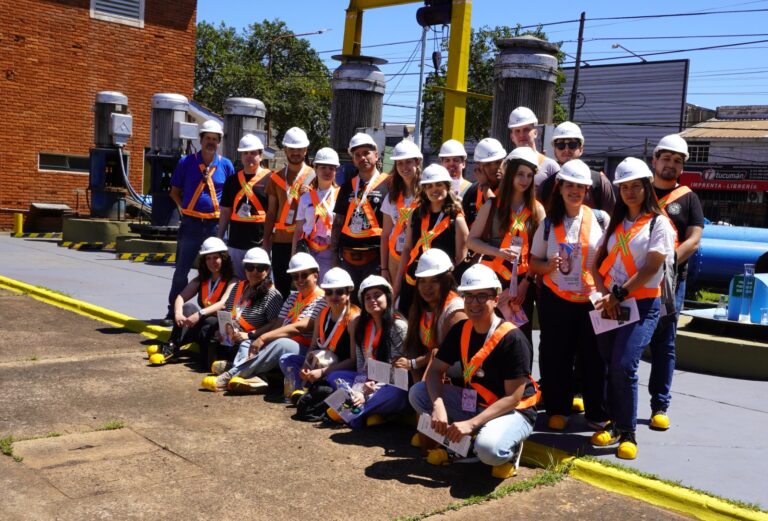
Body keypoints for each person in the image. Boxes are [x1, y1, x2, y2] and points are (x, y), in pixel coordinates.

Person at [408, 264, 539, 478]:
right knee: (419, 393)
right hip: (477, 404)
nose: (473, 303)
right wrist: (438, 406)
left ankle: (508, 450)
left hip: (514, 411)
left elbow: (513, 398)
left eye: (481, 296)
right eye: (468, 296)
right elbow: (434, 371)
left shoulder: (512, 339)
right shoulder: (461, 329)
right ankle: (466, 444)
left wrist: (471, 424)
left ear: (495, 299)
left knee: (489, 451)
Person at [591, 157, 675, 460]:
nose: (629, 192)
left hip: (642, 302)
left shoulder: (658, 223)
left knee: (625, 365)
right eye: (624, 187)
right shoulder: (615, 223)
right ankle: (614, 423)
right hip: (611, 304)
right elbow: (595, 263)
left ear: (646, 187)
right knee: (609, 364)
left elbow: (653, 266)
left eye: (635, 186)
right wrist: (604, 295)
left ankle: (628, 433)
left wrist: (618, 294)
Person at [529, 160, 610, 432]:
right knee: (556, 356)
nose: (575, 191)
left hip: (590, 301)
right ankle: (557, 409)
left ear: (587, 189)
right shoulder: (548, 224)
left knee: (594, 358)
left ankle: (597, 411)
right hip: (556, 300)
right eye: (570, 185)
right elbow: (533, 262)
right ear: (560, 187)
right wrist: (547, 266)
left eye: (580, 186)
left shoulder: (601, 219)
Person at [202, 252, 326, 393]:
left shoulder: (322, 299)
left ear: (315, 276)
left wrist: (263, 338)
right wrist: (256, 338)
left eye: (304, 275)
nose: (299, 280)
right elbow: (278, 325)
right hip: (280, 346)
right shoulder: (293, 298)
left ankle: (231, 372)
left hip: (304, 350)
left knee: (280, 343)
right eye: (295, 276)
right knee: (248, 342)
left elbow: (300, 327)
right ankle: (256, 377)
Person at [647, 134, 704, 431]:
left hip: (670, 284)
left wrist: (666, 264)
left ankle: (660, 405)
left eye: (677, 161)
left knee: (664, 343)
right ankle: (610, 404)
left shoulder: (689, 198)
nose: (670, 165)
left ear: (682, 167)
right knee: (621, 343)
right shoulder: (638, 190)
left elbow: (694, 239)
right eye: (666, 158)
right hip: (634, 281)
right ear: (655, 159)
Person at [468, 147, 544, 343]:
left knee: (520, 338)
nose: (524, 180)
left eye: (529, 175)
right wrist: (497, 252)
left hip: (521, 285)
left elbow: (539, 253)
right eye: (519, 174)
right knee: (489, 336)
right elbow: (472, 241)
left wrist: (525, 284)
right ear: (510, 174)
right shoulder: (492, 206)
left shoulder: (537, 210)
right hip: (493, 282)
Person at [167, 120, 235, 320]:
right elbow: (174, 192)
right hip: (191, 224)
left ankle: (214, 311)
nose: (211, 142)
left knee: (217, 270)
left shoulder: (226, 165)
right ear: (201, 140)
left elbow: (229, 198)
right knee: (182, 270)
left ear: (219, 142)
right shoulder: (186, 163)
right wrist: (186, 210)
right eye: (208, 138)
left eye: (215, 139)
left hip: (214, 226)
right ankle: (173, 311)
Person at [325, 275, 408, 428]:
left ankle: (348, 412)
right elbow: (361, 366)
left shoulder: (398, 326)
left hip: (390, 382)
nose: (372, 300)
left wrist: (368, 391)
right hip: (367, 379)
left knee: (397, 393)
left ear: (388, 297)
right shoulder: (360, 325)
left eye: (377, 295)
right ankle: (369, 414)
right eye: (367, 297)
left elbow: (399, 373)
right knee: (335, 376)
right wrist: (361, 389)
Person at [148, 237, 236, 366]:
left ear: (223, 258)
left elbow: (223, 303)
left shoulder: (232, 280)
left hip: (218, 326)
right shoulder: (201, 279)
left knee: (209, 321)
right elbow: (180, 297)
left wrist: (199, 314)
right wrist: (177, 313)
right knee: (187, 307)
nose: (212, 262)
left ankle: (173, 347)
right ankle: (172, 346)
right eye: (208, 258)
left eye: (215, 257)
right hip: (201, 321)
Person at [278, 267, 360, 405]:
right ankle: (300, 391)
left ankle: (312, 390)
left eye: (339, 292)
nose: (334, 296)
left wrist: (322, 372)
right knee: (286, 359)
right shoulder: (322, 314)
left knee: (333, 378)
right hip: (320, 363)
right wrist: (306, 365)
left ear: (348, 292)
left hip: (340, 369)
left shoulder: (353, 318)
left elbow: (353, 361)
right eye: (329, 292)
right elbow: (313, 346)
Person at [393, 164, 468, 315]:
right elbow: (407, 250)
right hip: (413, 281)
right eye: (429, 186)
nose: (434, 190)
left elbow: (461, 259)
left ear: (447, 186)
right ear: (424, 190)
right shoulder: (415, 215)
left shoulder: (456, 219)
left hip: (440, 285)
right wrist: (397, 286)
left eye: (439, 185)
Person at [331, 133, 390, 297]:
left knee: (372, 302)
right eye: (357, 155)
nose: (362, 157)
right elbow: (338, 223)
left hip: (375, 259)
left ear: (376, 155)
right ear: (353, 160)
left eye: (366, 153)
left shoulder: (389, 184)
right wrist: (334, 256)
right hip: (348, 259)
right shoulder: (347, 187)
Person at [207, 247, 283, 373]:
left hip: (251, 338)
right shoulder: (239, 286)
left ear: (267, 270)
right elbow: (229, 310)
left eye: (259, 268)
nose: (254, 272)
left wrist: (249, 334)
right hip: (232, 335)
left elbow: (274, 324)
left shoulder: (273, 295)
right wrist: (223, 331)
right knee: (209, 326)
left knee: (241, 346)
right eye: (250, 267)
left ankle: (235, 367)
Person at [263, 127, 315, 298]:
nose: (295, 152)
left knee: (306, 288)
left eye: (299, 149)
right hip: (281, 241)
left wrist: (312, 195)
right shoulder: (276, 178)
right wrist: (266, 243)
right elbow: (271, 213)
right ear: (285, 149)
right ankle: (282, 321)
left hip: (305, 241)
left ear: (306, 150)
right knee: (281, 289)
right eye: (291, 149)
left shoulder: (315, 176)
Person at [403, 249, 466, 383]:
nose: (427, 287)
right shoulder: (419, 307)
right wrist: (417, 382)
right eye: (423, 281)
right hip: (429, 368)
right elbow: (413, 346)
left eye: (434, 281)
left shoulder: (455, 310)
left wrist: (414, 364)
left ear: (447, 280)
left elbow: (444, 354)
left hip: (453, 370)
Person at [217, 134, 271, 279]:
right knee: (236, 282)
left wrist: (268, 242)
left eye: (253, 153)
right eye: (245, 153)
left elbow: (274, 213)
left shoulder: (271, 179)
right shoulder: (232, 181)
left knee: (261, 283)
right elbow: (226, 211)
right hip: (236, 242)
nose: (249, 156)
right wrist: (220, 237)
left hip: (260, 243)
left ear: (260, 155)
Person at [538, 122, 616, 213]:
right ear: (555, 151)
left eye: (572, 144)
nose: (566, 150)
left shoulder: (599, 182)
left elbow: (612, 220)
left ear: (581, 149)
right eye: (560, 145)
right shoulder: (546, 186)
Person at [292, 147, 341, 279]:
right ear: (315, 169)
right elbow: (298, 230)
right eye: (323, 167)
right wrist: (293, 257)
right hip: (308, 251)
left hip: (331, 253)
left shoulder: (341, 196)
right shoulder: (306, 198)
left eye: (331, 168)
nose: (327, 171)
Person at [381, 139, 422, 284]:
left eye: (408, 162)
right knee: (396, 301)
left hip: (418, 256)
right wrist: (384, 268)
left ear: (417, 162)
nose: (404, 167)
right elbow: (385, 234)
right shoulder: (392, 196)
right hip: (395, 257)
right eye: (399, 163)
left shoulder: (426, 193)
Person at [506, 106, 560, 193]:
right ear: (512, 137)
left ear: (535, 133)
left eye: (526, 130)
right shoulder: (506, 165)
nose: (521, 135)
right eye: (517, 131)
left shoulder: (551, 167)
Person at [461, 138, 506, 230]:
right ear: (478, 166)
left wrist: (485, 186)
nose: (494, 167)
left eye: (498, 162)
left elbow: (496, 216)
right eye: (488, 164)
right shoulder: (471, 192)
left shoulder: (510, 189)